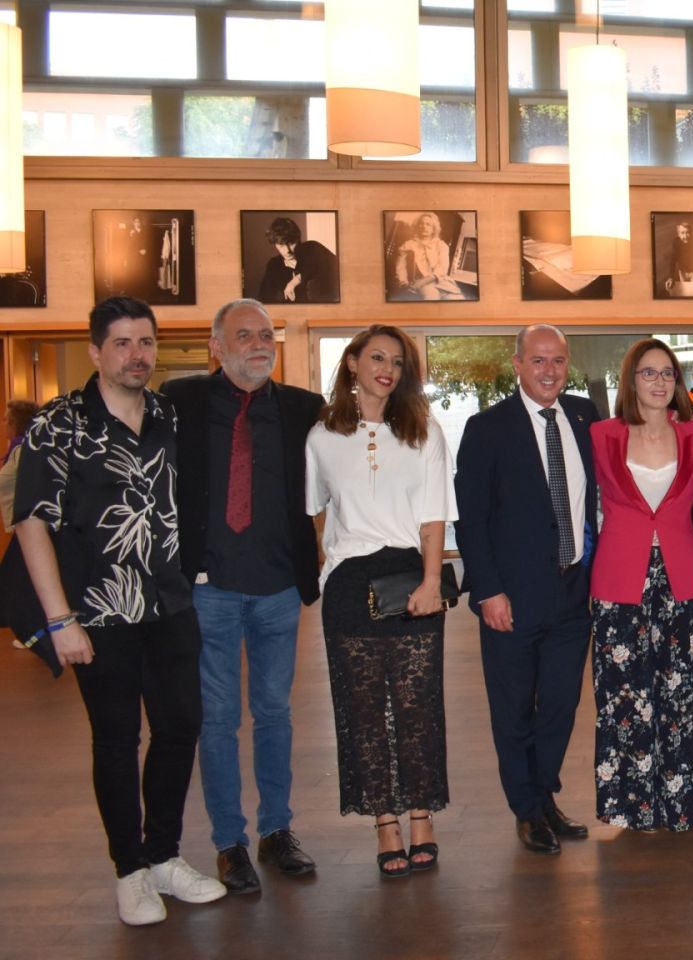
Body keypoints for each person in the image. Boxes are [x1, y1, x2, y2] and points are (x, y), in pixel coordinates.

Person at [12, 297, 226, 925]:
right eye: (124, 343)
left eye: (147, 342)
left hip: (169, 604)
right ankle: (129, 870)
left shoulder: (166, 415)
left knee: (180, 727)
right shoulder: (60, 423)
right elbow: (31, 523)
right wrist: (59, 620)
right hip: (97, 612)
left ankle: (162, 856)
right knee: (116, 739)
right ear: (96, 351)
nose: (138, 355)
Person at [164, 300, 324, 894]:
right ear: (216, 346)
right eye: (244, 335)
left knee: (275, 714)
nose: (259, 344)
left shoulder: (304, 409)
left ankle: (276, 830)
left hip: (279, 588)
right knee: (218, 720)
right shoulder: (179, 402)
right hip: (209, 591)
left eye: (265, 335)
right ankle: (228, 842)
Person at [306, 325, 455, 879]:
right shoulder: (321, 435)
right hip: (348, 583)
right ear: (352, 363)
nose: (387, 369)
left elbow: (434, 515)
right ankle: (384, 823)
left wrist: (431, 581)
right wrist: (328, 566)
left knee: (417, 707)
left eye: (396, 361)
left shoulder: (423, 431)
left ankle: (421, 817)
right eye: (376, 358)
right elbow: (316, 510)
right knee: (363, 712)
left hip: (409, 576)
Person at [454, 324, 599, 856]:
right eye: (537, 360)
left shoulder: (585, 417)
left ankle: (544, 795)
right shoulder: (486, 428)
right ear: (517, 364)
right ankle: (527, 809)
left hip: (573, 591)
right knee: (514, 708)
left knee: (560, 705)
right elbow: (471, 520)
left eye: (557, 360)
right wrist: (488, 592)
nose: (548, 371)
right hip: (511, 597)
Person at [589, 338, 693, 831]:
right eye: (648, 373)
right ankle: (629, 806)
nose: (659, 382)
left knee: (680, 694)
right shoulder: (602, 435)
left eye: (667, 373)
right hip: (618, 578)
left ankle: (683, 804)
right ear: (631, 380)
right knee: (623, 697)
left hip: (681, 576)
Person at [258, 218, 338, 304]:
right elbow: (264, 299)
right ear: (275, 244)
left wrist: (296, 280)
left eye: (291, 243)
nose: (287, 251)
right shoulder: (273, 265)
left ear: (298, 238)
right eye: (281, 245)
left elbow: (337, 267)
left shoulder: (313, 248)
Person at [391, 212, 461, 301]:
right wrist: (403, 283)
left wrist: (425, 280)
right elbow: (400, 267)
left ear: (433, 229)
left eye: (428, 224)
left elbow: (442, 268)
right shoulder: (408, 245)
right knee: (431, 298)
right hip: (420, 283)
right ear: (417, 227)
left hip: (440, 281)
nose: (424, 226)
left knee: (457, 299)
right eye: (421, 223)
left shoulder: (441, 245)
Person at [0, 398, 40, 532]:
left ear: (15, 423)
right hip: (20, 528)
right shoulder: (17, 449)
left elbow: (32, 488)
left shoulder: (23, 449)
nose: (3, 424)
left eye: (6, 420)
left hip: (27, 528)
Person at [664, 221, 693, 297]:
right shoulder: (676, 242)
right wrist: (670, 277)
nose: (685, 236)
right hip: (682, 271)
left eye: (687, 232)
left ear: (691, 233)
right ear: (678, 234)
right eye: (682, 233)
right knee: (684, 293)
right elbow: (672, 260)